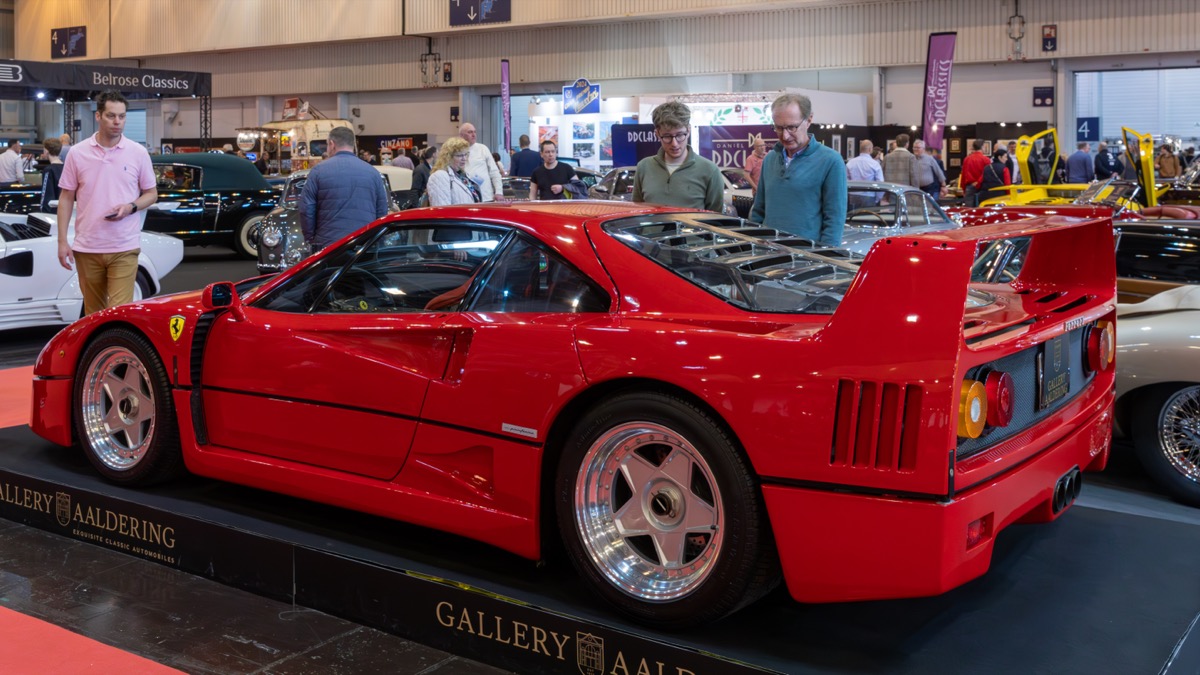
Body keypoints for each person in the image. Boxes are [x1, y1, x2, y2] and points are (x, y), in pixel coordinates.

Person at [55, 90, 158, 316]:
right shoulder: (77, 153)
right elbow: (66, 198)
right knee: (94, 314)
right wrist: (62, 241)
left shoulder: (138, 153)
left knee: (119, 313)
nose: (117, 122)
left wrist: (130, 207)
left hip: (124, 246)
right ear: (98, 116)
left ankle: (116, 351)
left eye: (122, 116)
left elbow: (151, 193)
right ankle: (99, 352)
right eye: (111, 116)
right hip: (87, 247)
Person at [748, 93, 847, 245]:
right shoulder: (770, 159)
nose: (785, 136)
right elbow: (758, 211)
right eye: (779, 128)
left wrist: (828, 258)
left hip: (807, 260)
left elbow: (834, 220)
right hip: (767, 257)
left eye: (792, 127)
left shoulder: (831, 161)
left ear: (808, 120)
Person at [299, 126, 389, 251]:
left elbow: (306, 209)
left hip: (328, 247)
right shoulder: (373, 173)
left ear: (332, 144)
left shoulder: (318, 171)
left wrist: (311, 240)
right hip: (364, 245)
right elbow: (382, 211)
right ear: (353, 145)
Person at [631, 100, 724, 212]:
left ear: (688, 130)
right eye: (667, 136)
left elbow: (716, 218)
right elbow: (636, 212)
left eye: (680, 135)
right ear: (657, 134)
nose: (674, 143)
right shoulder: (644, 167)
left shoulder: (709, 171)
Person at [426, 137, 481, 206]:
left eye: (465, 154)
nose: (464, 158)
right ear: (448, 157)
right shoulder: (440, 176)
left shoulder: (462, 175)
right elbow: (442, 211)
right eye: (460, 155)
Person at [458, 123, 503, 202]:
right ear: (461, 135)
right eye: (470, 132)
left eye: (475, 132)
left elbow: (494, 172)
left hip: (486, 197)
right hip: (466, 198)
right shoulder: (456, 151)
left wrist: (499, 192)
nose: (473, 134)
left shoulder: (483, 148)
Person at [845, 139, 884, 206]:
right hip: (869, 195)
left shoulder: (850, 162)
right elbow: (880, 182)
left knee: (853, 216)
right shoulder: (875, 164)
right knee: (868, 216)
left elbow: (845, 180)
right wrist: (877, 198)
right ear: (870, 149)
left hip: (853, 196)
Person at [39, 137, 66, 213]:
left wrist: (43, 211)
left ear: (47, 150)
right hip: (65, 209)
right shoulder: (66, 168)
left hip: (53, 211)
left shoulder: (48, 170)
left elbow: (46, 193)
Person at [959, 139, 990, 207]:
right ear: (982, 147)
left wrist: (963, 188)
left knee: (969, 209)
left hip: (969, 186)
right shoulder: (986, 160)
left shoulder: (967, 159)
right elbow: (986, 174)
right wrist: (978, 182)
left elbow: (964, 175)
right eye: (984, 147)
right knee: (981, 209)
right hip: (982, 187)